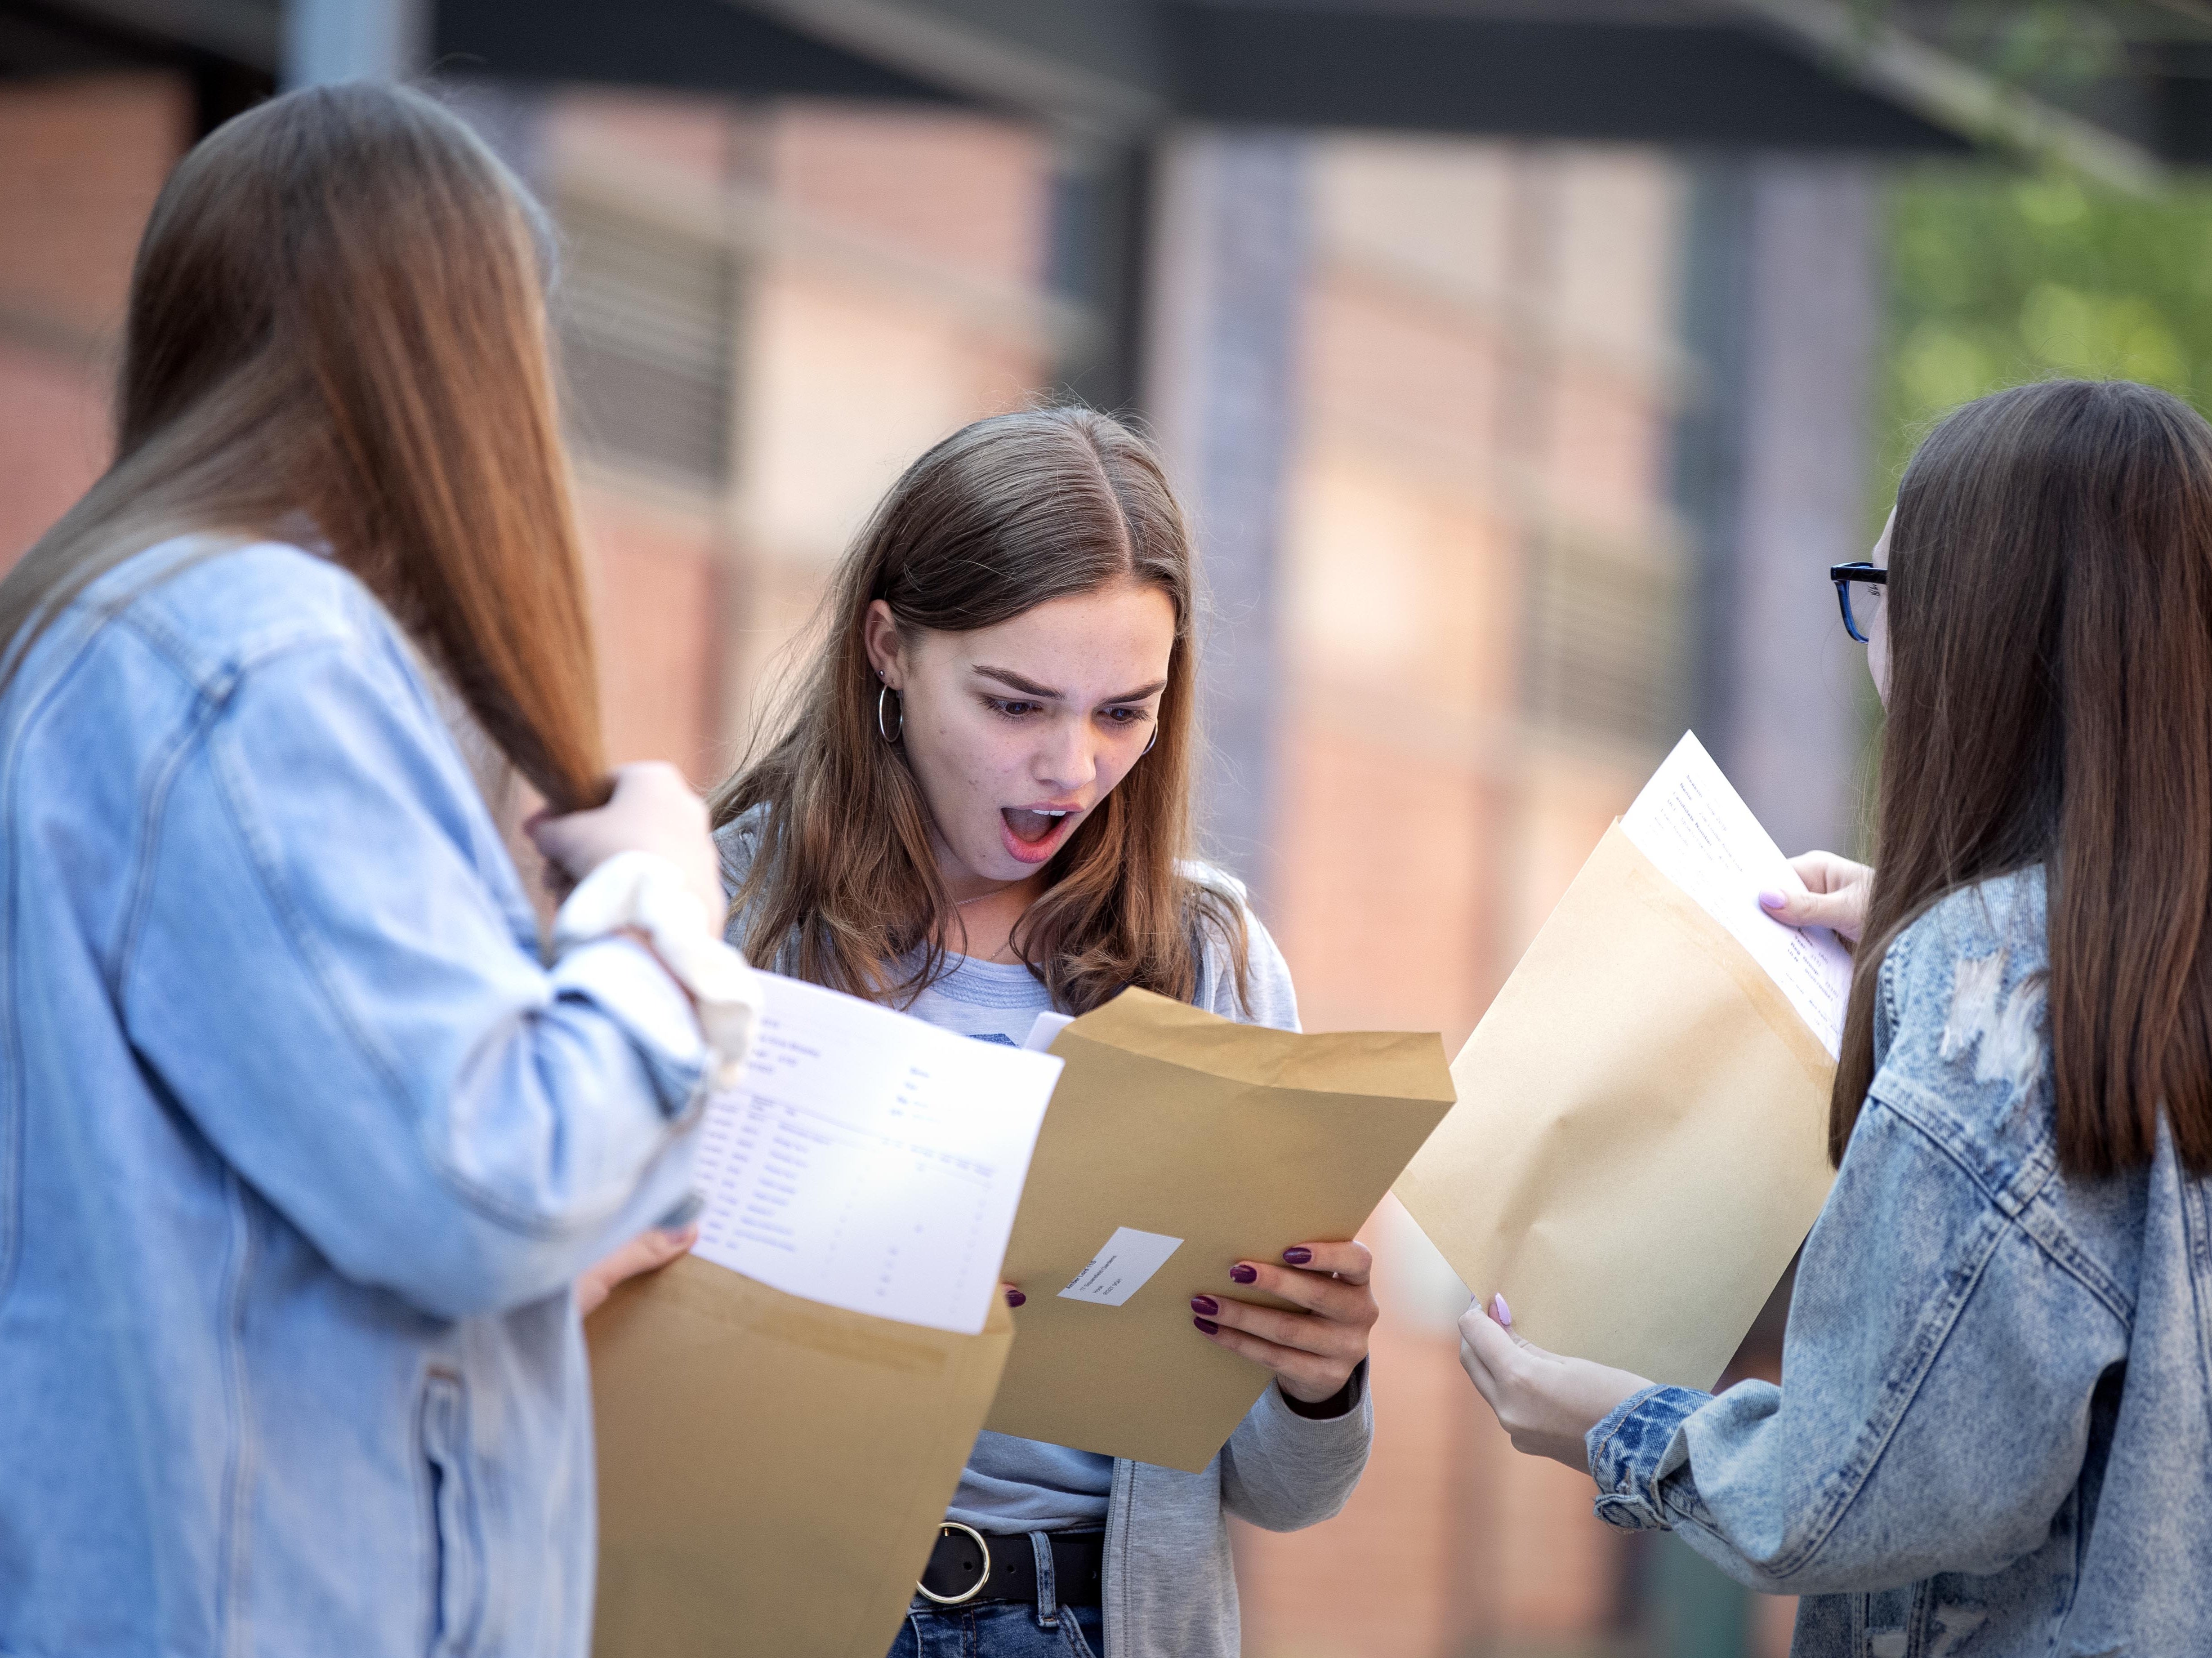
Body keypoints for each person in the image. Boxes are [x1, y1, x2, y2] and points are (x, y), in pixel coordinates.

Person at [0, 84, 753, 1658]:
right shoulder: (259, 655)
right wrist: (661, 903)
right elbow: (480, 1177)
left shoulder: (131, 639)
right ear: (459, 361)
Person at [1456, 379, 2212, 1654]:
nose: (1874, 644)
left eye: (1886, 593)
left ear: (1977, 635)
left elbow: (1870, 1485)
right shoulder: (2117, 973)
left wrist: (1618, 1426)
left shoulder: (1999, 994)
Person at [711, 407, 1377, 1658]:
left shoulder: (1211, 961)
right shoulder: (721, 925)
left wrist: (1318, 1378)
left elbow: (1287, 1495)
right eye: (1017, 703)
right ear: (890, 649)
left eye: (1125, 713)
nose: (1070, 769)